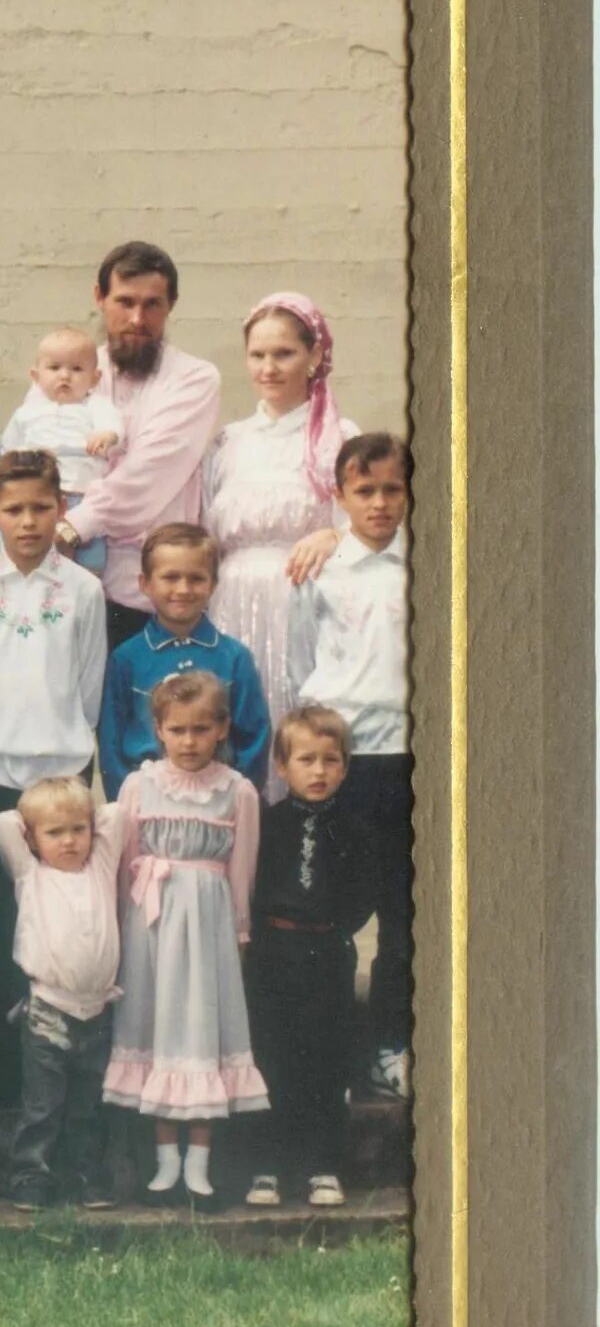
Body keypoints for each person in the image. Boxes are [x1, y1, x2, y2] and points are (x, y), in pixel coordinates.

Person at [104, 670, 267, 1202]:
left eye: (202, 729)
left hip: (209, 930)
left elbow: (241, 871)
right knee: (156, 1029)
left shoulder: (237, 792)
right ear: (158, 730)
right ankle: (164, 1160)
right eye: (178, 730)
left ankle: (200, 1162)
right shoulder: (137, 785)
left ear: (222, 729)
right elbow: (126, 864)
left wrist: (238, 935)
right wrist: (122, 935)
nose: (190, 741)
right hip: (150, 927)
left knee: (201, 1031)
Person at [290, 432, 414, 1098]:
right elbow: (301, 662)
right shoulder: (322, 569)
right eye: (364, 491)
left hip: (408, 760)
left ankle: (389, 1045)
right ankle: (327, 1049)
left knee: (403, 913)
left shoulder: (427, 561)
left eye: (392, 489)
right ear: (338, 496)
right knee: (333, 911)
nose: (379, 503)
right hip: (345, 767)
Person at [243, 705, 378, 1208]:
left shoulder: (356, 829)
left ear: (345, 766)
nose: (318, 771)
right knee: (270, 1056)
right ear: (282, 766)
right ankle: (266, 1167)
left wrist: (337, 927)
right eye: (306, 760)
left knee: (325, 1060)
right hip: (274, 953)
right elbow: (252, 885)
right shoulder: (267, 824)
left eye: (330, 760)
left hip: (327, 952)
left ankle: (322, 1165)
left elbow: (365, 893)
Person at [207, 294, 358, 743]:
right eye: (257, 355)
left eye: (284, 354)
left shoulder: (339, 438)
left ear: (314, 356)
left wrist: (334, 535)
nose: (268, 368)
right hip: (231, 605)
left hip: (304, 605)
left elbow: (371, 528)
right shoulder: (227, 443)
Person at [59, 242, 223, 648]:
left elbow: (146, 477)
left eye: (152, 304)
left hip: (151, 602)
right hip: (68, 590)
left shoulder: (194, 379)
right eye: (125, 302)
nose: (137, 318)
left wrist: (73, 525)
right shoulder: (66, 373)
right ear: (99, 297)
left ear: (172, 304)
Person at [0, 453, 107, 833]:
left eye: (41, 508)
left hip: (61, 769)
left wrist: (72, 739)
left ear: (62, 508)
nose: (28, 522)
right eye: (14, 510)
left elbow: (90, 686)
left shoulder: (85, 589)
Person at [0, 778, 125, 1211]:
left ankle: (87, 1174)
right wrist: (33, 823)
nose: (68, 841)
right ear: (31, 838)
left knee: (89, 1104)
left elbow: (116, 816)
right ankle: (30, 1174)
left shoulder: (101, 867)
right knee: (42, 1105)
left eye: (78, 830)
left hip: (98, 1010)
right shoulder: (30, 874)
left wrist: (80, 808)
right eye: (54, 833)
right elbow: (2, 824)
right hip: (48, 1008)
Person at [97, 524, 271, 795]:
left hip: (218, 803)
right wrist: (125, 803)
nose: (183, 589)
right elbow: (111, 742)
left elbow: (254, 739)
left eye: (196, 578)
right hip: (146, 803)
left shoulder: (234, 658)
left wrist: (237, 800)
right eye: (171, 577)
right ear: (145, 584)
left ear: (213, 584)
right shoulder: (126, 658)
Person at [0, 327, 122, 575]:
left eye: (77, 369)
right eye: (54, 368)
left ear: (95, 378)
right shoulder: (27, 412)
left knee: (91, 557)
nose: (65, 376)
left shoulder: (96, 406)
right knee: (17, 548)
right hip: (37, 494)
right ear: (35, 375)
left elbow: (115, 428)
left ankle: (89, 581)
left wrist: (107, 435)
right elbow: (9, 450)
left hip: (82, 494)